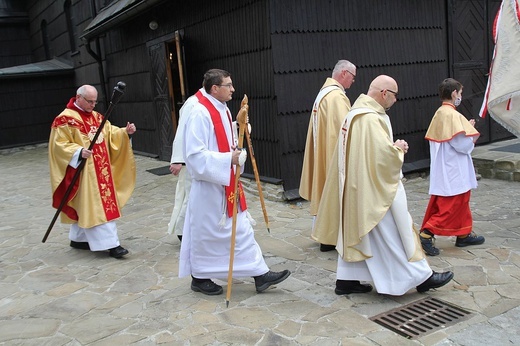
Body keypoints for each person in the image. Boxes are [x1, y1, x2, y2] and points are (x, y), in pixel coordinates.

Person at [313, 75, 454, 295]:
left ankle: (347, 280)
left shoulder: (355, 113)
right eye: (395, 95)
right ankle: (421, 277)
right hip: (372, 189)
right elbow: (379, 157)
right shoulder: (369, 118)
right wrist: (398, 149)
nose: (396, 101)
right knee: (394, 233)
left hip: (356, 186)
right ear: (384, 93)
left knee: (362, 236)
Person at [178, 69, 290, 295]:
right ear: (215, 89)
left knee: (241, 229)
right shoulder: (199, 112)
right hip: (209, 188)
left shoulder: (222, 108)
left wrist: (241, 129)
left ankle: (260, 273)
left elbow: (228, 138)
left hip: (227, 182)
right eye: (228, 85)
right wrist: (228, 158)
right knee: (208, 234)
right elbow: (194, 156)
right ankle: (199, 277)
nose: (233, 89)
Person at [48, 85, 136, 258]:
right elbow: (58, 145)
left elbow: (110, 134)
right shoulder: (65, 119)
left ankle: (79, 239)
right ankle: (111, 244)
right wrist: (78, 152)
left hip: (101, 171)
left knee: (86, 205)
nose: (93, 105)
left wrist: (125, 132)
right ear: (78, 97)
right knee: (97, 206)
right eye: (89, 101)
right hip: (84, 173)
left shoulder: (97, 117)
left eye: (95, 101)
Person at [420, 78, 485, 256]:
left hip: (448, 166)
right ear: (454, 93)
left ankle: (463, 233)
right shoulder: (452, 115)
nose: (460, 96)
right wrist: (471, 133)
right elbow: (462, 145)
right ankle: (426, 234)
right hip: (453, 168)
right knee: (450, 206)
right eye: (460, 93)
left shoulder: (441, 113)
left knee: (461, 203)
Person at [299, 59, 356, 252]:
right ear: (344, 74)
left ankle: (326, 236)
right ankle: (329, 236)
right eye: (353, 77)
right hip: (332, 156)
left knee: (324, 189)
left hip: (323, 152)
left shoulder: (323, 94)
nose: (353, 81)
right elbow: (344, 130)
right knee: (333, 190)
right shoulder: (336, 98)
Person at [167, 87, 205, 242]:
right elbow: (182, 131)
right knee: (189, 195)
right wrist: (178, 159)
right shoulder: (193, 103)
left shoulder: (212, 103)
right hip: (191, 158)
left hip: (203, 158)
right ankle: (183, 230)